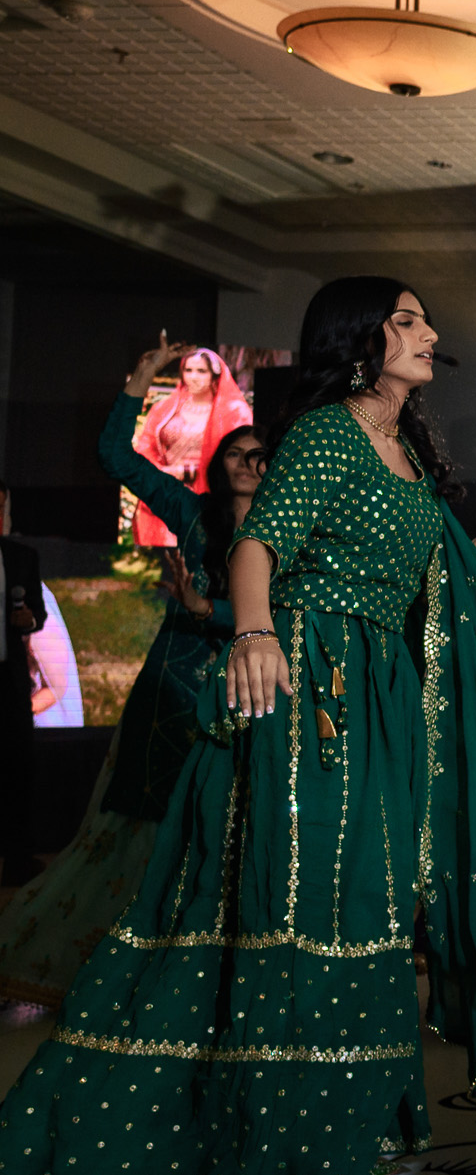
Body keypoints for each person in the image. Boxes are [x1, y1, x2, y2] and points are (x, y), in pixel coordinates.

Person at [0, 278, 476, 1175]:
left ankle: (330, 1143)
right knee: (298, 908)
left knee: (369, 911)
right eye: (407, 320)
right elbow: (258, 545)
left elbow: (442, 575)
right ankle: (250, 1153)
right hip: (311, 685)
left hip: (382, 688)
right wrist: (257, 636)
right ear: (358, 341)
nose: (430, 332)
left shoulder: (403, 452)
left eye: (427, 318)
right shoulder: (325, 434)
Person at [0, 340, 265, 1014]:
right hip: (175, 691)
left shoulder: (286, 535)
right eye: (235, 452)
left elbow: (287, 615)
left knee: (234, 832)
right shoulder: (191, 515)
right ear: (217, 463)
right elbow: (116, 458)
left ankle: (218, 970)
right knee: (141, 829)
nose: (247, 463)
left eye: (260, 456)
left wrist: (213, 609)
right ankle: (125, 959)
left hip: (251, 694)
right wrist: (143, 378)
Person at [125, 345, 252, 550]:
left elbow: (237, 456)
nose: (193, 377)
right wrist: (160, 474)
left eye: (201, 371)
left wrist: (187, 472)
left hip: (208, 497)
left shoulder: (233, 412)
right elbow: (146, 446)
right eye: (188, 370)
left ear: (214, 374)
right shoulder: (166, 407)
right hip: (167, 492)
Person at [0, 478, 45, 889]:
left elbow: (39, 616)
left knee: (17, 768)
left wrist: (26, 620)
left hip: (9, 680)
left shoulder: (21, 557)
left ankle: (17, 861)